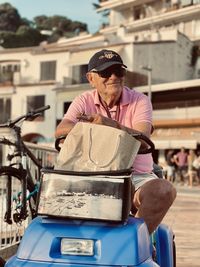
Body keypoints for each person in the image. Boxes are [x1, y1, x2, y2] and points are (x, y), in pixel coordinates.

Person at [55, 49, 176, 234]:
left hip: (136, 174)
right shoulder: (83, 100)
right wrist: (98, 128)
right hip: (91, 173)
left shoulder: (140, 100)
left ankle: (139, 242)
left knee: (164, 190)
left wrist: (110, 124)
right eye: (105, 72)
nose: (113, 77)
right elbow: (61, 131)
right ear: (91, 78)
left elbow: (143, 139)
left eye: (119, 71)